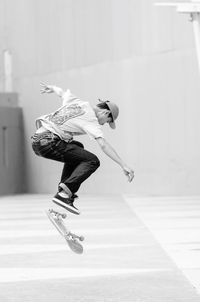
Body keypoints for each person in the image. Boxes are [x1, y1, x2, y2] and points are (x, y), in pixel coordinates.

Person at [31, 83, 134, 215]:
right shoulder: (92, 119)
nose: (104, 124)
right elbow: (103, 145)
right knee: (92, 161)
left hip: (38, 141)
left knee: (78, 148)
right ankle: (64, 194)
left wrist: (52, 88)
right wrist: (123, 165)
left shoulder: (77, 102)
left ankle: (63, 192)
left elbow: (61, 92)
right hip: (49, 142)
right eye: (107, 121)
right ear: (105, 112)